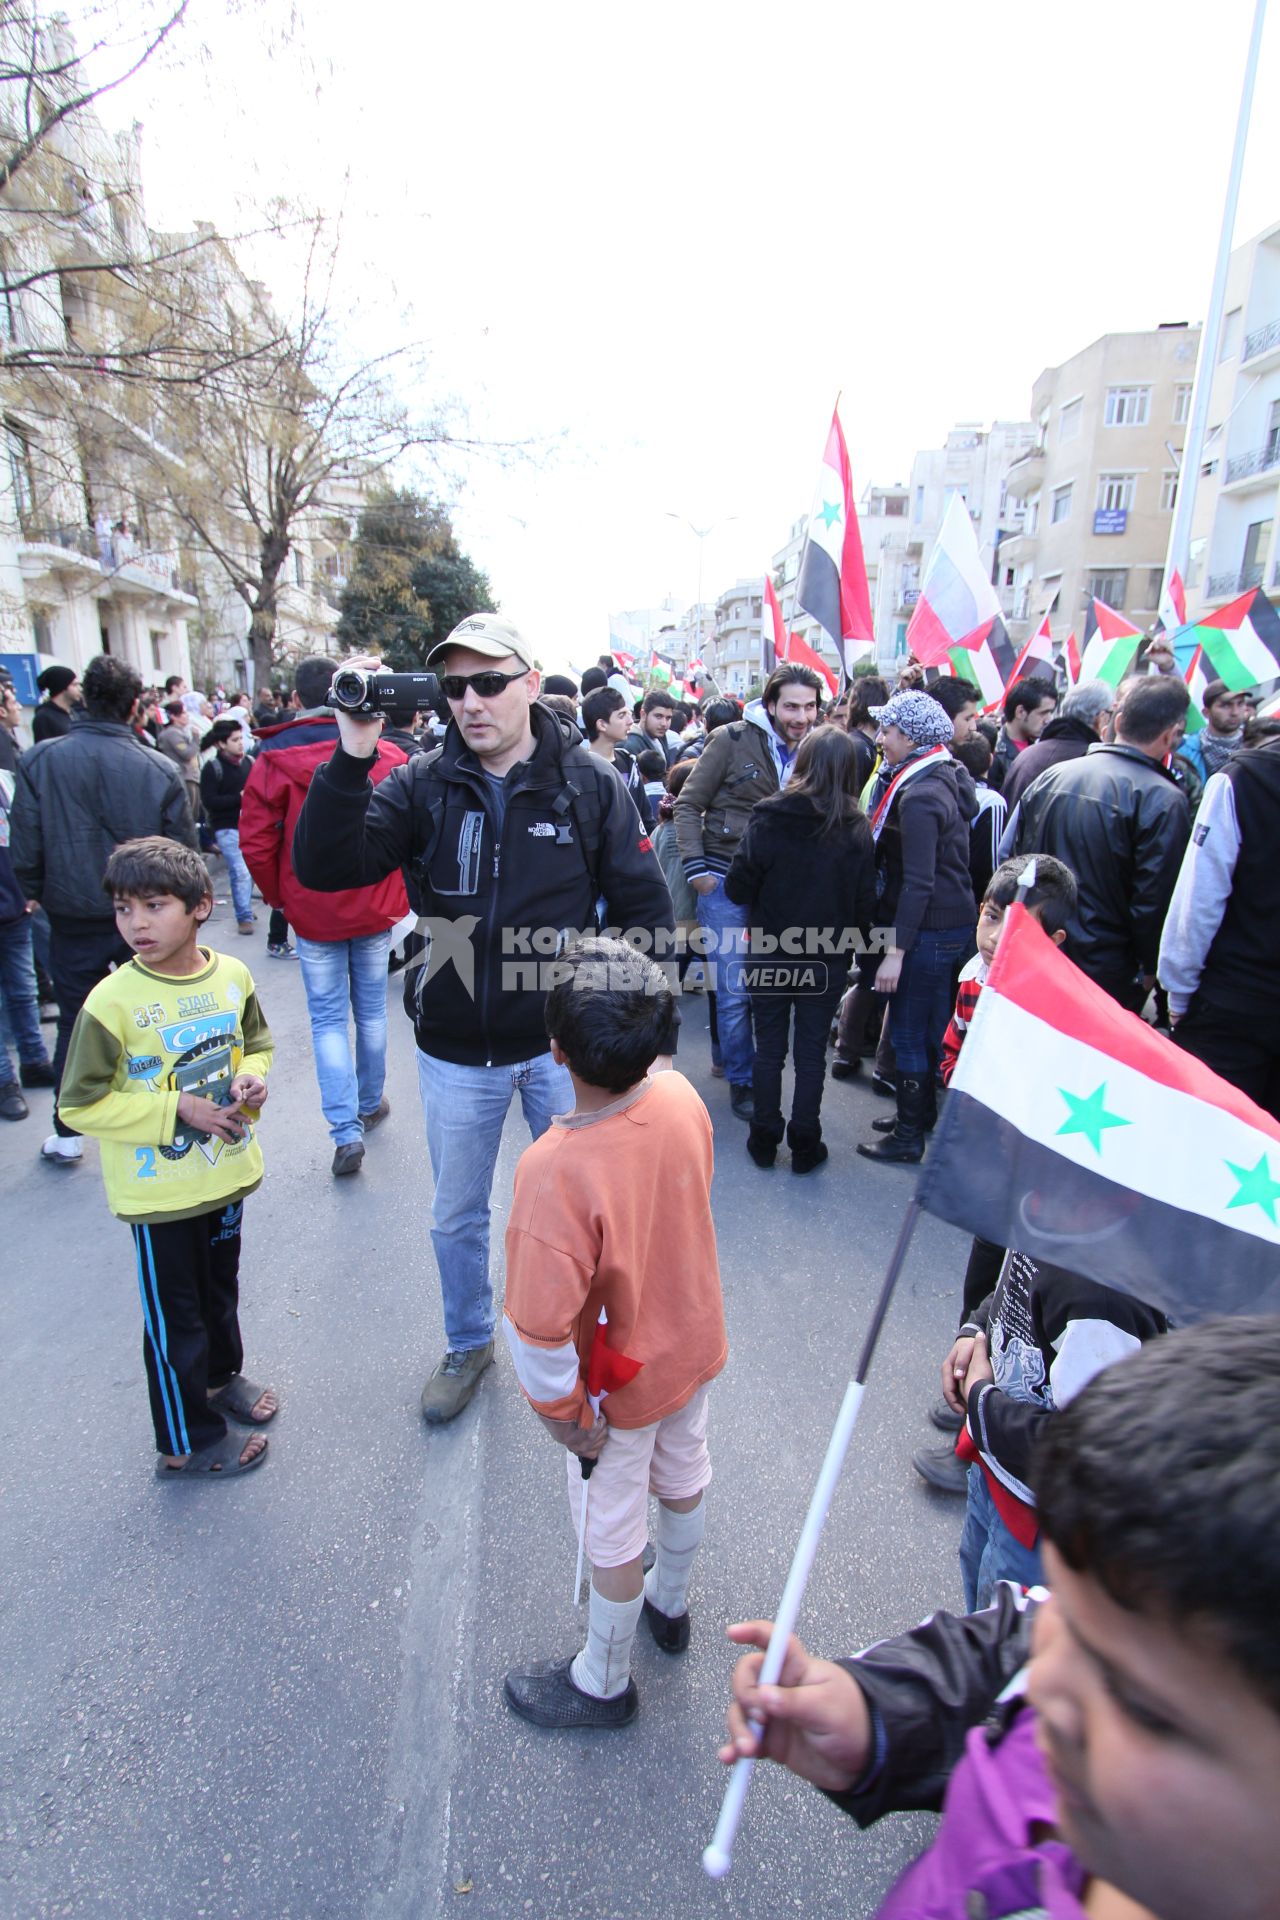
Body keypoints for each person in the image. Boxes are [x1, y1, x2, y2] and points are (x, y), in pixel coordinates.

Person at [721, 1314, 1280, 1920]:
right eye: (1063, 1613)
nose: (1044, 1687)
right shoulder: (1071, 1699)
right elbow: (1007, 1648)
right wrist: (877, 1714)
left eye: (1139, 1704)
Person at [290, 613, 674, 1424]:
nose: (471, 702)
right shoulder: (419, 781)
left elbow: (643, 909)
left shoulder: (589, 782)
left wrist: (654, 1045)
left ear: (531, 684)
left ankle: (590, 1340)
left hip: (565, 1050)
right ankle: (469, 1340)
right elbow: (326, 867)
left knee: (589, 1210)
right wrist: (353, 749)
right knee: (458, 1214)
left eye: (490, 682)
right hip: (456, 1048)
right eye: (455, 686)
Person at [501, 938, 725, 1729]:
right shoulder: (679, 1099)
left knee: (613, 1524)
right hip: (690, 1345)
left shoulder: (553, 1170)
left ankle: (603, 1678)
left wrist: (568, 1421)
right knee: (686, 1464)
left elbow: (537, 1329)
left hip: (617, 1383)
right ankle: (672, 1603)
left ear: (555, 1051)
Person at [58, 837, 277, 1477]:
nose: (137, 924)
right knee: (174, 1316)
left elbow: (256, 1042)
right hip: (158, 1197)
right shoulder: (112, 1001)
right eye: (125, 909)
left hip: (223, 1175)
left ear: (200, 905)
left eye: (154, 905)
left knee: (218, 1292)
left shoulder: (232, 976)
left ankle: (218, 1378)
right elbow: (78, 1105)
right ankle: (187, 1440)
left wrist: (252, 1080)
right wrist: (175, 1110)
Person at [909, 853, 1078, 1497]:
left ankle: (981, 1437)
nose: (995, 934)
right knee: (984, 1278)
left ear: (1054, 941)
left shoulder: (1059, 1003)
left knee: (1016, 1297)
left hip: (1034, 1169)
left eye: (1017, 926)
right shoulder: (974, 973)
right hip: (989, 1151)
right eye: (989, 915)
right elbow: (958, 1043)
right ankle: (964, 1377)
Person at [10, 655, 196, 1167]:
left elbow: (25, 841)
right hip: (152, 913)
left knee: (77, 1020)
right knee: (158, 1016)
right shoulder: (156, 765)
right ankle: (164, 1115)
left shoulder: (41, 759)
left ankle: (69, 1131)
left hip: (70, 911)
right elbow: (183, 853)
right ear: (135, 705)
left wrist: (34, 890)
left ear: (85, 699)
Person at [239, 654, 408, 1178]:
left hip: (311, 907)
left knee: (329, 1020)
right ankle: (367, 1101)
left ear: (295, 698)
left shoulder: (273, 758)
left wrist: (280, 898)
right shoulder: (386, 753)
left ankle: (345, 1131)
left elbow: (256, 841)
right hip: (374, 903)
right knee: (372, 1012)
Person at [674, 664, 823, 1121]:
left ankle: (747, 1063)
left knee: (771, 989)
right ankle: (742, 1079)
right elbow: (687, 804)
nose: (801, 716)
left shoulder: (818, 748)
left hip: (784, 891)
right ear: (772, 704)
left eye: (810, 707)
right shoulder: (732, 739)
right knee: (735, 990)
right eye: (792, 706)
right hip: (723, 884)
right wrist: (698, 871)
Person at [725, 725, 876, 1173]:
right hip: (827, 956)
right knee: (811, 1055)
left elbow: (737, 886)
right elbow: (865, 903)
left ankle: (764, 1138)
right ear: (849, 770)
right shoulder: (855, 826)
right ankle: (806, 1144)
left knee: (769, 1049)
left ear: (803, 762)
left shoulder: (770, 814)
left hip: (770, 949)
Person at [1010, 675, 1191, 1009]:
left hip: (1045, 949)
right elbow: (1153, 901)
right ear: (1169, 734)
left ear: (1117, 721)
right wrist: (1149, 967)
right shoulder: (1163, 799)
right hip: (1103, 968)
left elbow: (1013, 861)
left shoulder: (1055, 775)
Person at [855, 690, 976, 1165]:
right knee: (926, 1029)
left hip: (928, 929)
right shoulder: (941, 773)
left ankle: (908, 1136)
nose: (881, 738)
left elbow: (919, 883)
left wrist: (896, 952)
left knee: (908, 1032)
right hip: (946, 923)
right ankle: (918, 1113)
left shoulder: (922, 794)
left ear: (909, 736)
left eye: (887, 730)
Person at [1159, 717, 1280, 1116]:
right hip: (1237, 1001)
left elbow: (1199, 897)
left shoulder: (1242, 780)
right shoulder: (1241, 780)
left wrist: (1178, 988)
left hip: (1234, 1002)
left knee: (1214, 1145)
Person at [0, 672, 55, 1119]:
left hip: (12, 897)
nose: (18, 704)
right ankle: (5, 1079)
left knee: (23, 988)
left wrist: (28, 887)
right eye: (11, 698)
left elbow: (19, 830)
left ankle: (35, 1061)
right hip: (12, 893)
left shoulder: (12, 755)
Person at [1000, 679, 1115, 814]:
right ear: (1101, 717)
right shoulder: (1096, 764)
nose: (1048, 719)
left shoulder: (1028, 755)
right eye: (1110, 713)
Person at [200, 717, 256, 934]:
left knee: (251, 871)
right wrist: (238, 798)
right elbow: (210, 801)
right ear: (222, 743)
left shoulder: (249, 763)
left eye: (241, 738)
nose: (240, 743)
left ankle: (246, 908)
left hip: (250, 826)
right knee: (240, 871)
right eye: (235, 739)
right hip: (227, 828)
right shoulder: (213, 769)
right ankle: (244, 917)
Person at [582, 685, 654, 830]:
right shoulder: (581, 767)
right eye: (621, 716)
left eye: (628, 713)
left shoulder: (629, 762)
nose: (630, 721)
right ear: (601, 724)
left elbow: (645, 818)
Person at [952, 734, 1006, 902]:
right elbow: (993, 860)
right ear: (991, 759)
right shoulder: (992, 801)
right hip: (975, 898)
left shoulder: (946, 790)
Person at [1173, 677, 1250, 790]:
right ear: (1206, 712)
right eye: (1226, 705)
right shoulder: (1184, 751)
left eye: (1240, 704)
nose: (1235, 712)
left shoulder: (1254, 747)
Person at [988, 674, 1057, 793]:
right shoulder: (993, 752)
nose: (1048, 719)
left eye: (1051, 712)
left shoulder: (1047, 748)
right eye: (1043, 713)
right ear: (1020, 712)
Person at [624, 688, 678, 767]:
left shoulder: (661, 738)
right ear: (643, 715)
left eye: (668, 718)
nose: (664, 723)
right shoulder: (631, 745)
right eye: (658, 716)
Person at [31, 665, 80, 743]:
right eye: (74, 685)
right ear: (62, 687)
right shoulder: (44, 718)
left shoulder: (73, 713)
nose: (80, 689)